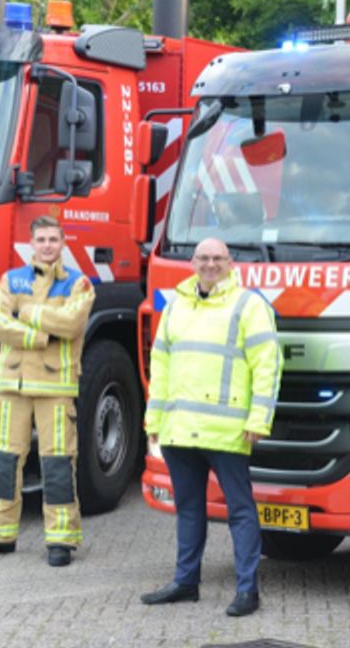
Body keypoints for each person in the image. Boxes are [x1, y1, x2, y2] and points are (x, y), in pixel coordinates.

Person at [140, 238, 281, 617]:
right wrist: (154, 420)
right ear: (193, 262)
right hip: (180, 430)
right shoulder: (175, 306)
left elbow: (268, 365)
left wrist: (259, 419)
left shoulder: (248, 305)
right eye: (204, 257)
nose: (210, 264)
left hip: (227, 430)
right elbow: (162, 367)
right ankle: (186, 583)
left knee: (240, 510)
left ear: (230, 263)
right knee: (188, 508)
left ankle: (248, 590)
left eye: (218, 258)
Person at [0, 215, 94, 567]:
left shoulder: (79, 283)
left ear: (63, 242)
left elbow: (71, 324)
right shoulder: (10, 280)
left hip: (56, 386)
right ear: (32, 243)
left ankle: (61, 540)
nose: (48, 246)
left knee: (57, 462)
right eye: (41, 239)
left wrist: (25, 311)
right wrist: (40, 335)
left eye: (53, 239)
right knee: (3, 462)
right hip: (12, 386)